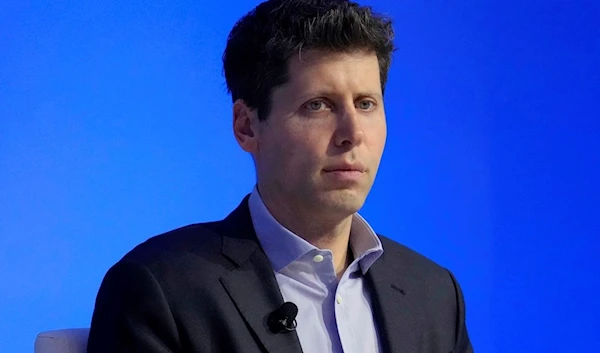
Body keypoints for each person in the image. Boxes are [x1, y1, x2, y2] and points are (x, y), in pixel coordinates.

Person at [87, 0, 473, 352]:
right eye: (318, 105)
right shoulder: (161, 290)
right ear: (247, 127)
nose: (352, 133)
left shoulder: (435, 294)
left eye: (366, 103)